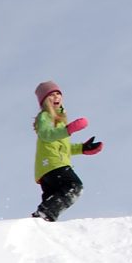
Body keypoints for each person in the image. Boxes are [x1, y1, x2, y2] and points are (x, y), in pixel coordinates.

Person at [31, 81, 102, 222]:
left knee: (52, 200)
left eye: (58, 94)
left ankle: (40, 221)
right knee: (74, 186)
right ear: (44, 101)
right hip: (52, 164)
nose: (56, 97)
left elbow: (62, 148)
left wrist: (82, 148)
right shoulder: (45, 116)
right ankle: (44, 213)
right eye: (51, 95)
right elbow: (46, 135)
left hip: (49, 167)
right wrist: (68, 130)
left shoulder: (59, 122)